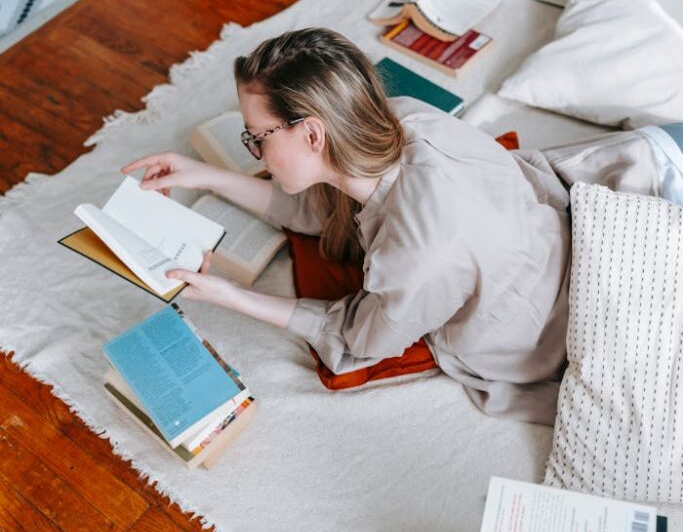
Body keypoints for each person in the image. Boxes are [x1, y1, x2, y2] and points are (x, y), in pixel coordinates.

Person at [122, 28, 682, 426]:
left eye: (258, 137)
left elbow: (356, 338)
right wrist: (207, 175)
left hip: (571, 315)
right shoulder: (405, 116)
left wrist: (229, 295)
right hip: (557, 228)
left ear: (313, 134)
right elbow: (320, 206)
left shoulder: (414, 255)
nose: (256, 151)